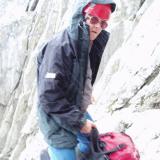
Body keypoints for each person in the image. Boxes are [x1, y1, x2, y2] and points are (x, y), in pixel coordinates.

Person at [37, 0, 116, 160]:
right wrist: (80, 122)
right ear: (81, 17)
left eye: (103, 23)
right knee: (68, 153)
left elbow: (80, 74)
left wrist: (85, 91)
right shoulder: (59, 48)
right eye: (93, 19)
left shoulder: (87, 44)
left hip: (73, 107)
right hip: (55, 117)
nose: (97, 26)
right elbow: (49, 97)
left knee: (91, 142)